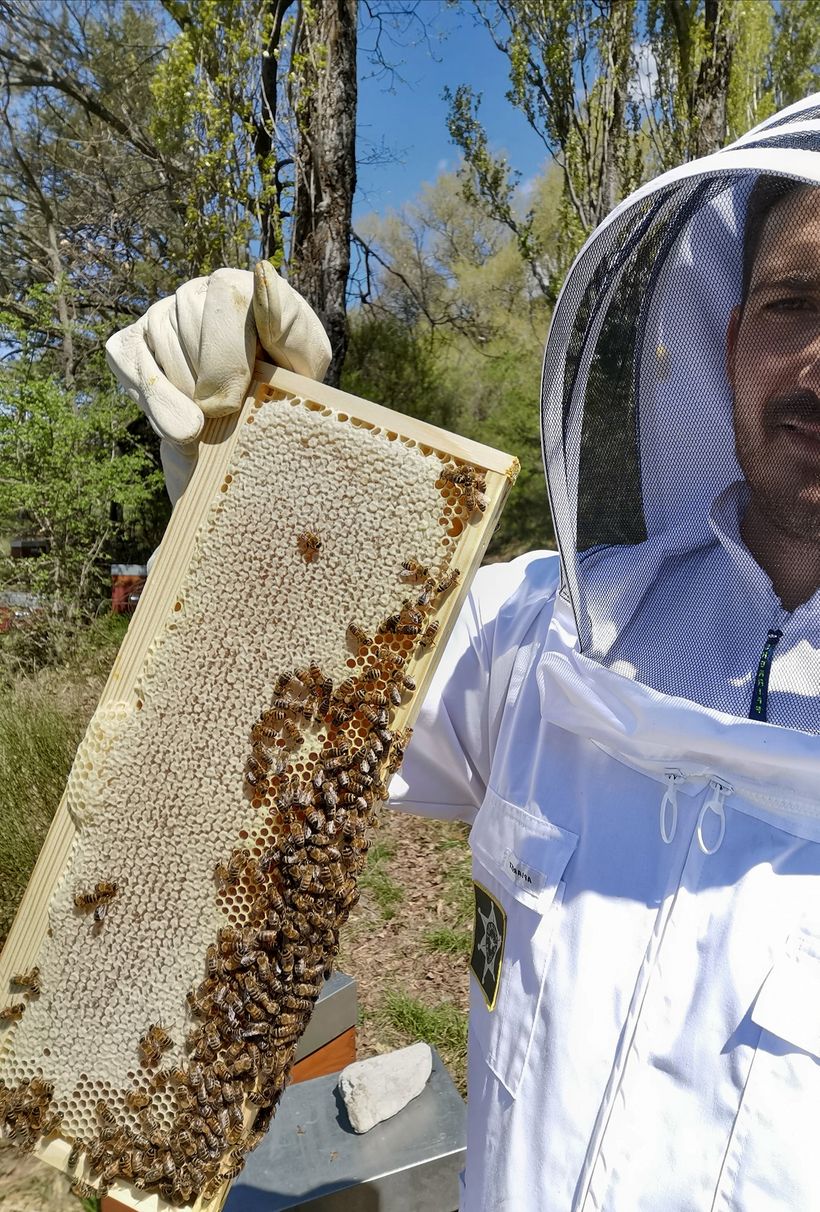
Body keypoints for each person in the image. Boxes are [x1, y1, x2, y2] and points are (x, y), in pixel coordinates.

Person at [107, 93, 820, 1210]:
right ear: (728, 341)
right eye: (796, 301)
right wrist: (248, 488)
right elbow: (286, 732)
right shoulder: (542, 625)